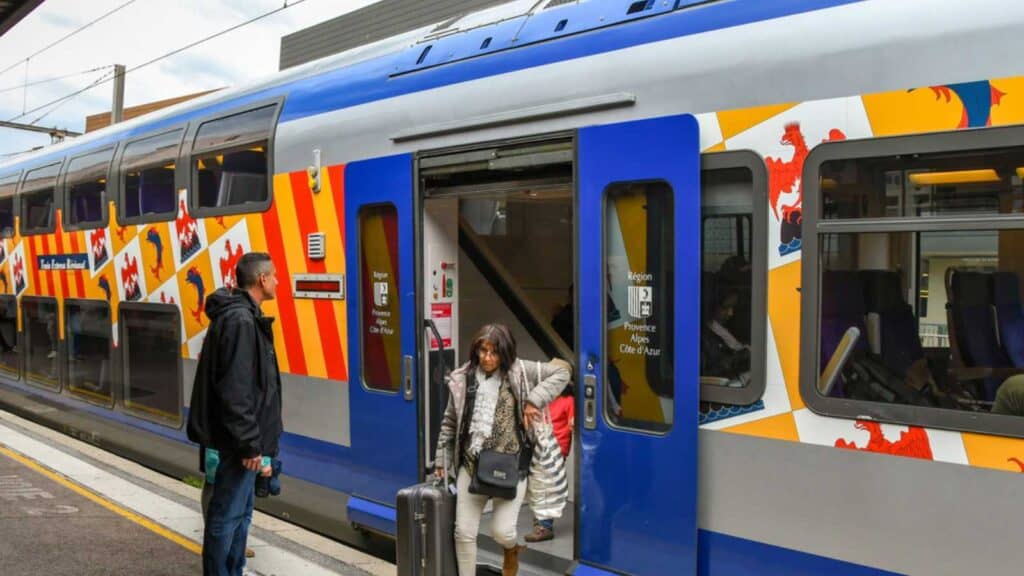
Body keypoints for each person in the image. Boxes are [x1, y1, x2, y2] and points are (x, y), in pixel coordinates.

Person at [435, 324, 570, 576]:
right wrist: (440, 457)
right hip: (471, 464)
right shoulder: (463, 378)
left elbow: (563, 371)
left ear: (505, 353)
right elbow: (451, 420)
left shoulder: (520, 371)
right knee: (463, 532)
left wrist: (534, 399)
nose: (487, 357)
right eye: (482, 351)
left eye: (494, 352)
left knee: (502, 531)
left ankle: (511, 549)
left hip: (511, 467)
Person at [187, 252, 283, 576]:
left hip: (243, 443)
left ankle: (233, 570)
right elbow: (236, 391)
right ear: (262, 280)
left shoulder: (243, 317)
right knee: (226, 518)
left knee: (240, 516)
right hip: (238, 446)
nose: (278, 282)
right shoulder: (241, 322)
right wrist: (249, 445)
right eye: (274, 276)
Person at [523, 382, 574, 543]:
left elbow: (573, 423)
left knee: (548, 486)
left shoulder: (568, 400)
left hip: (556, 448)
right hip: (538, 446)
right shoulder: (541, 400)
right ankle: (541, 524)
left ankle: (544, 527)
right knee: (538, 485)